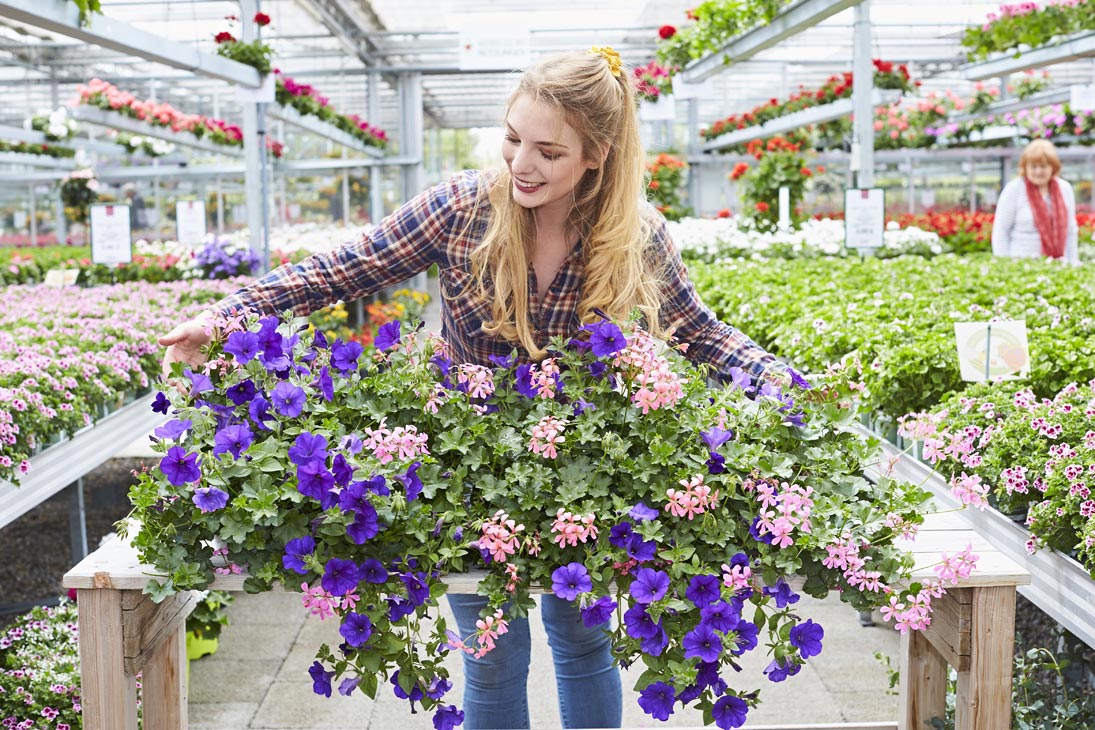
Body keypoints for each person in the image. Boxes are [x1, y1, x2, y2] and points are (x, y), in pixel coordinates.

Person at [159, 47, 790, 730]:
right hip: (470, 473)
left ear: (595, 155)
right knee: (489, 657)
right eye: (513, 139)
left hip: (586, 474)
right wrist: (226, 318)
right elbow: (346, 268)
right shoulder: (462, 210)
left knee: (583, 644)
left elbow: (700, 333)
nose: (521, 163)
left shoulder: (633, 236)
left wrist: (790, 388)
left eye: (548, 151)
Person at [991, 139, 1079, 264]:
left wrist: (1073, 263)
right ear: (1025, 167)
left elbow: (1070, 231)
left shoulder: (1065, 189)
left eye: (1043, 166)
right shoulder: (1014, 189)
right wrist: (1004, 264)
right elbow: (1001, 231)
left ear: (1052, 167)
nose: (1038, 171)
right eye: (1033, 166)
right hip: (1020, 266)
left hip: (1059, 265)